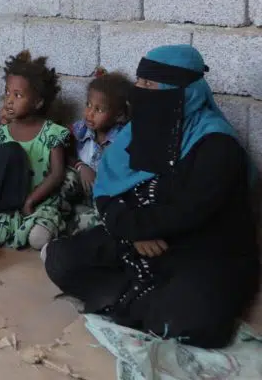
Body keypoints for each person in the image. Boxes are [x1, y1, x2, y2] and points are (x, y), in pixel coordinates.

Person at [43, 45, 260, 348]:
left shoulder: (217, 146)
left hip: (197, 251)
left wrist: (137, 227)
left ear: (182, 93)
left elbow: (191, 212)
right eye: (139, 82)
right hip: (137, 241)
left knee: (193, 322)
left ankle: (133, 301)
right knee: (60, 259)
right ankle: (143, 299)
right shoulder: (139, 132)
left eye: (149, 85)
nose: (139, 92)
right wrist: (130, 231)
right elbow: (108, 189)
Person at [0, 50, 70, 250]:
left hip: (42, 200)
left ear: (38, 102)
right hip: (11, 203)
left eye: (18, 95)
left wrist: (32, 199)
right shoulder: (1, 133)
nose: (9, 100)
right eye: (7, 92)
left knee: (38, 238)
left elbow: (57, 174)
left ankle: (55, 227)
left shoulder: (50, 132)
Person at [67, 69, 132, 235]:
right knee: (65, 177)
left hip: (105, 198)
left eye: (99, 110)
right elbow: (61, 152)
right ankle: (67, 215)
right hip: (81, 190)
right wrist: (81, 166)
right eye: (88, 105)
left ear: (118, 115)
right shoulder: (80, 129)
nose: (90, 113)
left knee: (107, 223)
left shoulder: (123, 140)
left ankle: (78, 222)